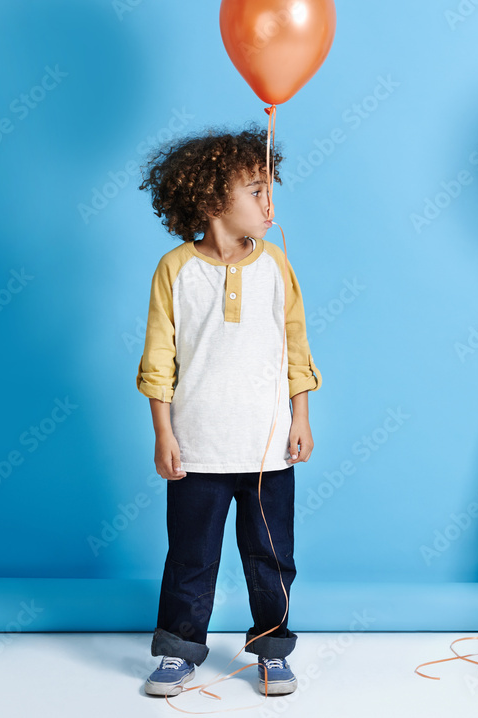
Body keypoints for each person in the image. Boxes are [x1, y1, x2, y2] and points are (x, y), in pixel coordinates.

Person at [134, 125, 322, 697]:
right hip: (197, 447)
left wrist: (302, 417)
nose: (270, 204)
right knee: (191, 558)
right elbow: (159, 359)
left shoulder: (276, 266)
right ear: (215, 201)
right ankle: (178, 650)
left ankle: (272, 647)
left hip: (267, 452)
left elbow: (297, 346)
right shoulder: (175, 270)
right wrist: (163, 433)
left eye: (271, 190)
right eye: (257, 191)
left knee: (271, 558)